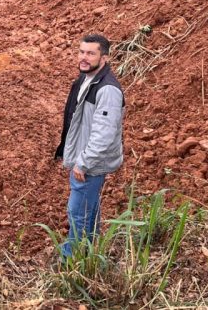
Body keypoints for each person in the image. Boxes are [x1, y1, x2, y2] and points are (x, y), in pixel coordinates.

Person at [54, 34, 124, 258]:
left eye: (91, 53)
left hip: (89, 165)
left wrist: (83, 163)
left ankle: (70, 261)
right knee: (89, 212)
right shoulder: (87, 79)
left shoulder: (107, 90)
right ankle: (90, 258)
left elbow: (104, 134)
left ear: (103, 57)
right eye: (81, 52)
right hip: (84, 159)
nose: (84, 57)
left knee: (77, 214)